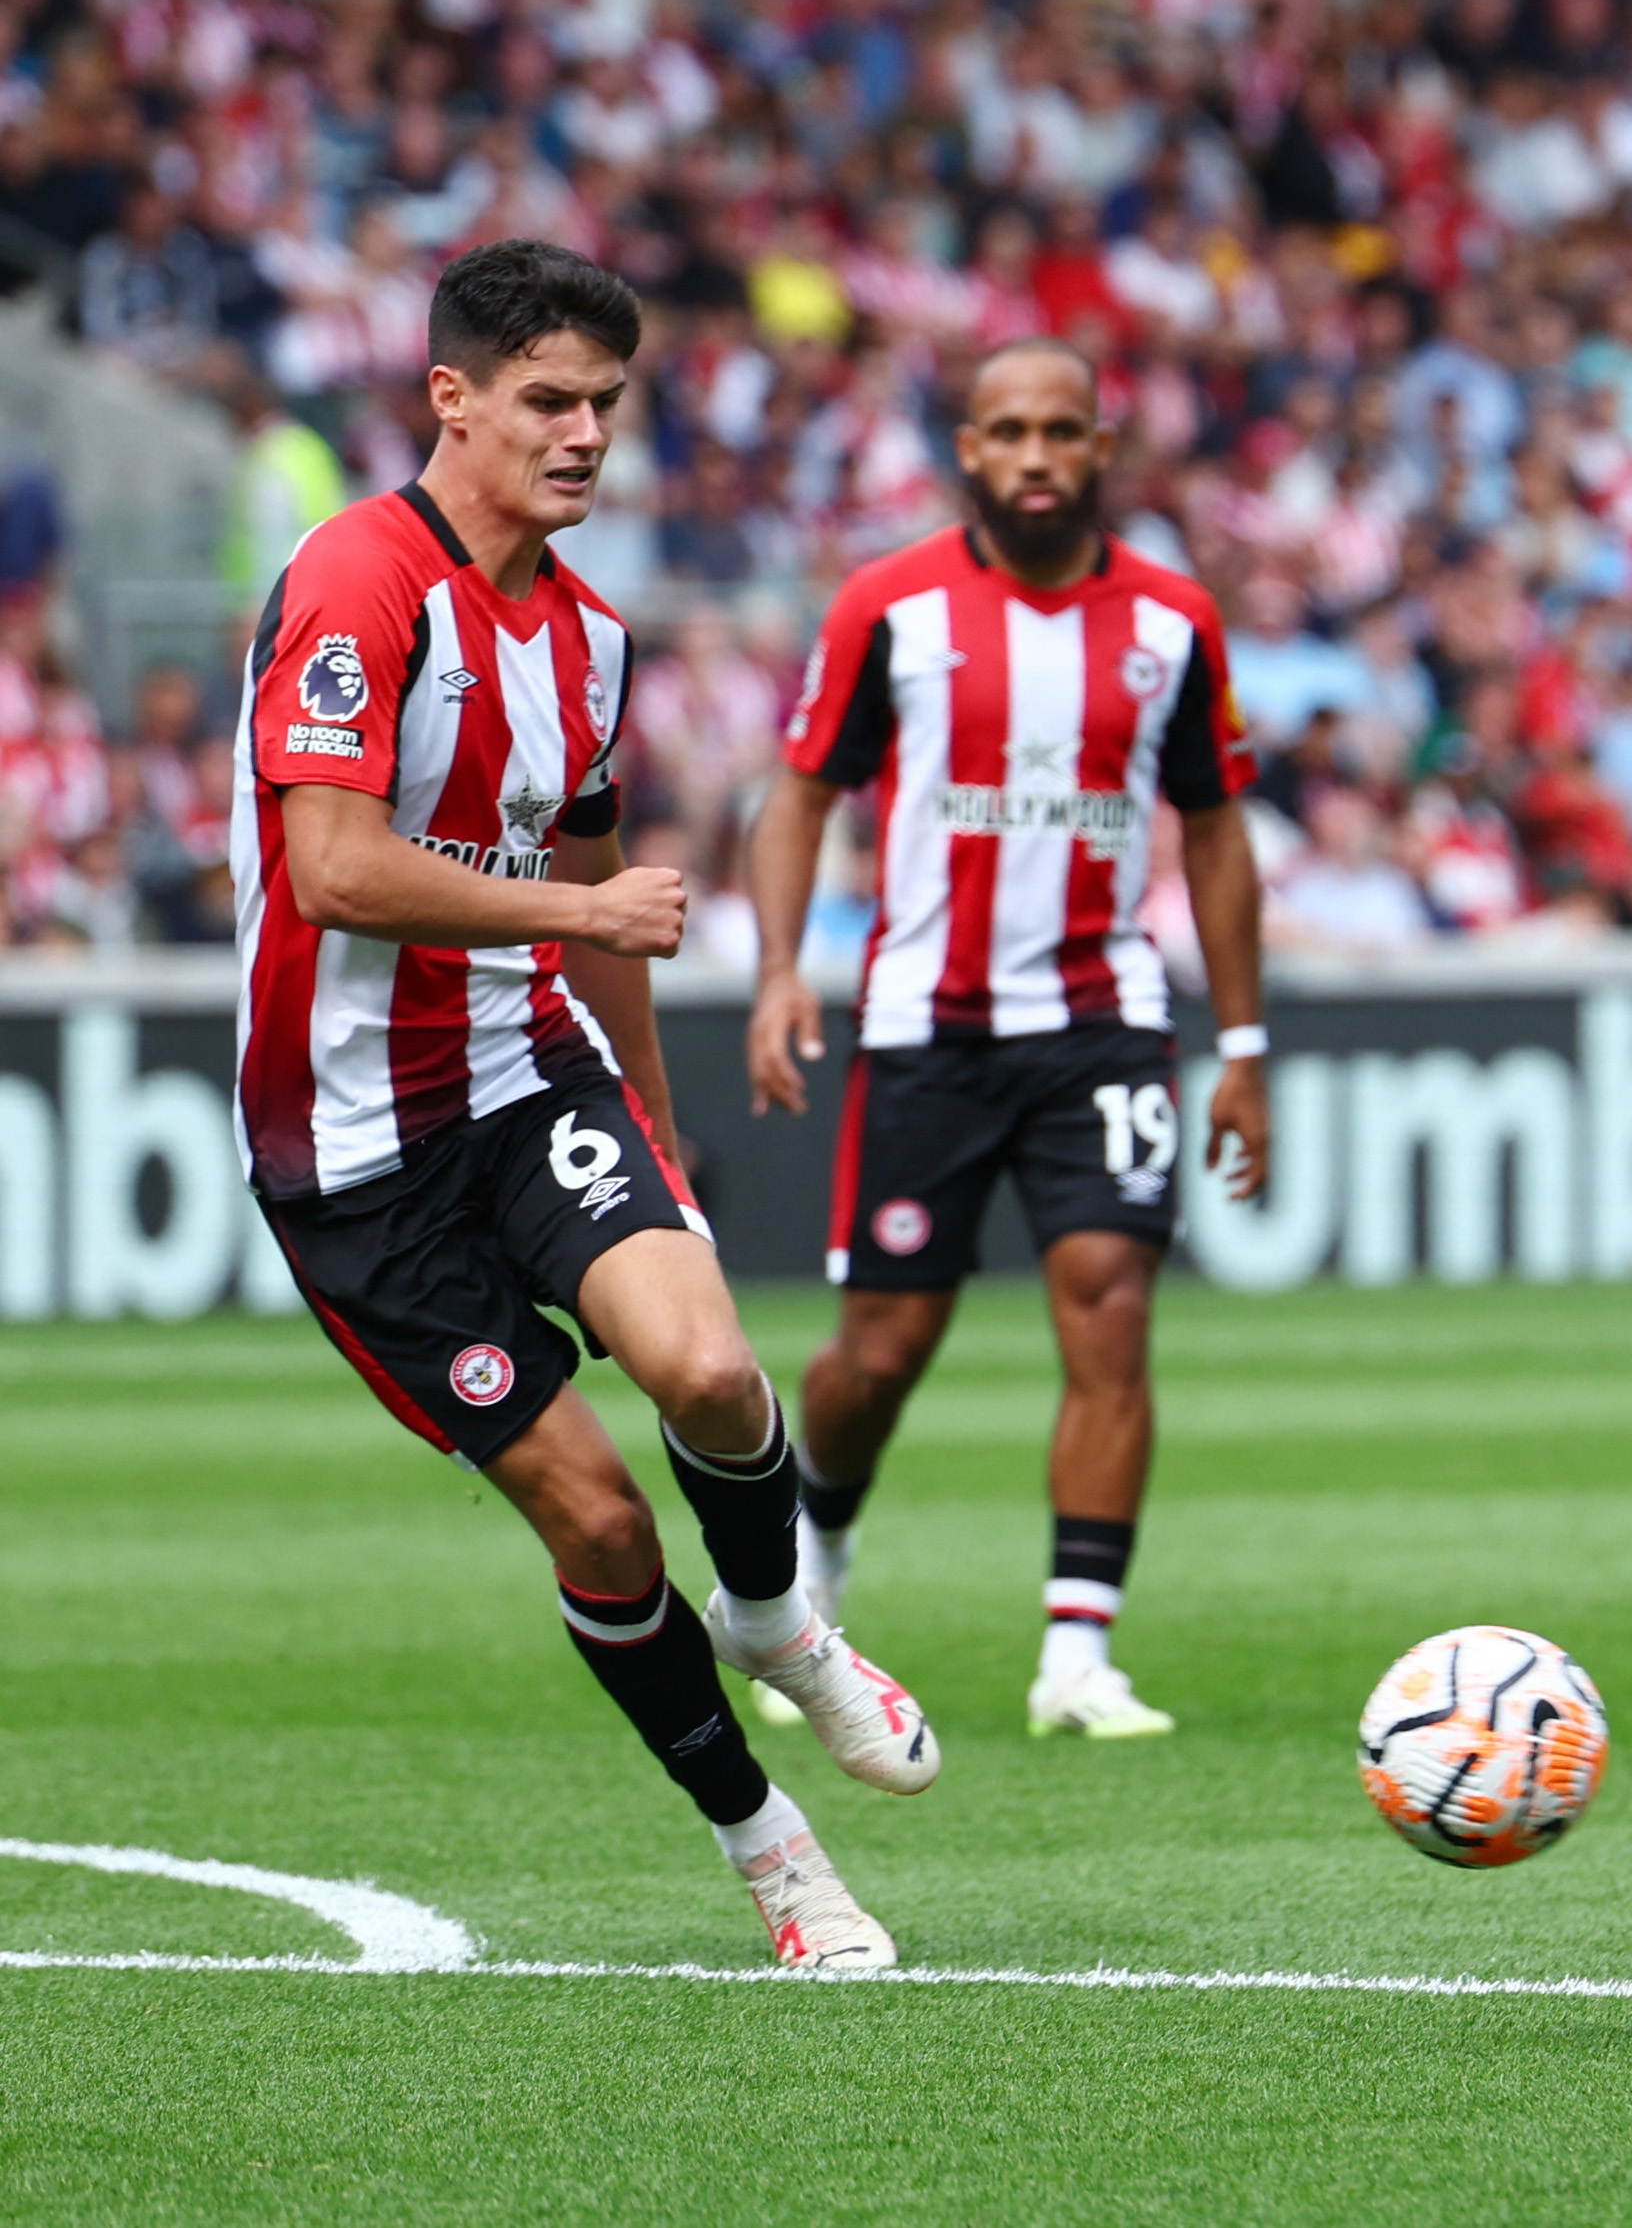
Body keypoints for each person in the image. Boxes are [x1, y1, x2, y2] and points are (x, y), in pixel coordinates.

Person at [231, 240, 930, 1973]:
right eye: (548, 400)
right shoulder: (354, 582)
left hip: (529, 1069)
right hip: (354, 1154)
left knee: (708, 1365)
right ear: (449, 397)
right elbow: (330, 866)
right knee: (604, 1520)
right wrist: (576, 913)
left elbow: (605, 883)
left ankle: (779, 1624)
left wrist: (661, 1142)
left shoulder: (593, 637)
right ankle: (776, 1860)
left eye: (606, 404)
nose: (583, 435)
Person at [742, 338, 1271, 1744]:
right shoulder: (890, 607)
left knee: (1110, 1301)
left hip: (1101, 1026)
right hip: (926, 1029)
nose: (1036, 455)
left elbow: (1216, 832)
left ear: (1104, 446)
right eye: (1007, 431)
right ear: (967, 451)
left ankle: (1077, 1655)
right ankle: (817, 1558)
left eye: (1061, 430)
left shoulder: (1171, 622)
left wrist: (1248, 1041)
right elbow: (799, 795)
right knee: (879, 1350)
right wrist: (780, 969)